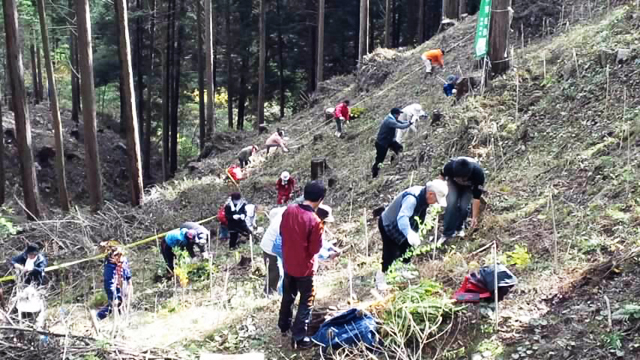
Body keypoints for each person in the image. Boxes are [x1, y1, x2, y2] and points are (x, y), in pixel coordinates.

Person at [278, 181, 326, 349]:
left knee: (288, 296)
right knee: (306, 300)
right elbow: (315, 249)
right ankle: (299, 337)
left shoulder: (289, 210)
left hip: (288, 263)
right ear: (320, 199)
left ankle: (284, 325)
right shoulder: (314, 221)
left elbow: (281, 232)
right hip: (305, 268)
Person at [375, 180, 448, 291]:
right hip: (389, 223)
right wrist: (409, 233)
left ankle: (403, 270)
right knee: (390, 253)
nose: (437, 203)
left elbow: (417, 217)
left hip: (404, 224)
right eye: (436, 200)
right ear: (430, 194)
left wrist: (414, 233)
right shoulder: (412, 199)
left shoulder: (424, 197)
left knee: (408, 247)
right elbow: (402, 217)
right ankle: (380, 279)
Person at [439, 157, 486, 244]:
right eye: (459, 178)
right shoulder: (449, 167)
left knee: (464, 206)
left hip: (468, 187)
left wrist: (474, 217)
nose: (461, 181)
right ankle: (447, 233)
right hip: (452, 183)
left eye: (463, 179)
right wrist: (439, 191)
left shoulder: (478, 174)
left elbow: (476, 198)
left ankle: (459, 228)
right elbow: (441, 177)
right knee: (451, 203)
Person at [372, 108, 413, 178]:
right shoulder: (390, 121)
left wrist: (409, 122)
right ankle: (375, 173)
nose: (399, 115)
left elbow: (401, 122)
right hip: (382, 144)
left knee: (399, 148)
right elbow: (401, 126)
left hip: (389, 141)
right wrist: (409, 124)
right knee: (380, 160)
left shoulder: (392, 118)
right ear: (394, 114)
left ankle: (393, 162)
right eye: (398, 114)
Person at [96, 242, 133, 320]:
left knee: (124, 305)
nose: (119, 257)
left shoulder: (123, 260)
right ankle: (98, 317)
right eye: (116, 256)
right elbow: (109, 282)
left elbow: (127, 272)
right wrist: (113, 296)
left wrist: (129, 283)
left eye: (120, 255)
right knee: (115, 305)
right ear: (112, 256)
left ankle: (125, 321)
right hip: (116, 288)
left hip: (124, 286)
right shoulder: (109, 266)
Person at [260, 206, 287, 295]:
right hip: (271, 247)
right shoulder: (291, 216)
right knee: (275, 272)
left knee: (276, 272)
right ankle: (268, 293)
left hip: (271, 244)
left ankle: (272, 292)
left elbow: (273, 212)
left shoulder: (285, 210)